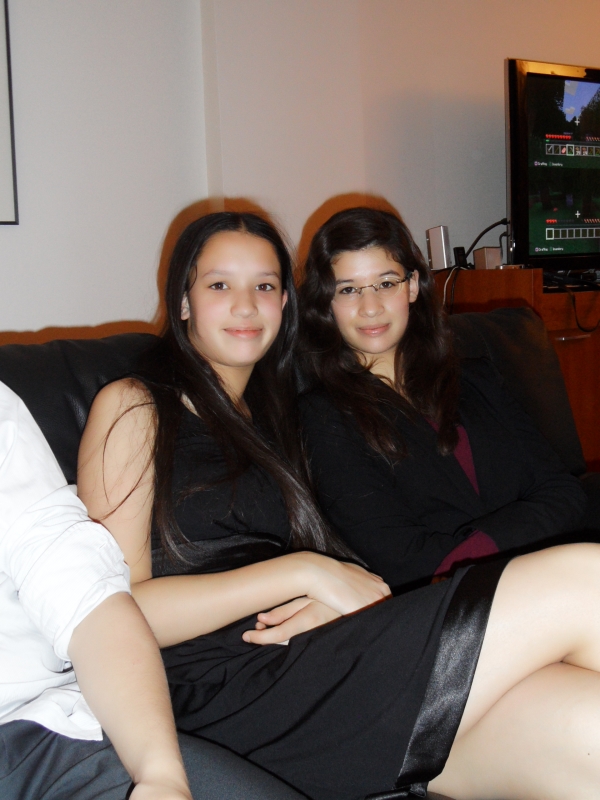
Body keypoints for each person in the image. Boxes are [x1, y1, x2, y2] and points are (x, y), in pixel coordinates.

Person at [78, 210, 600, 800]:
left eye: (265, 286)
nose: (246, 306)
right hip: (228, 693)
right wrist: (305, 574)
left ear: (286, 304)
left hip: (320, 665)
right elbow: (108, 614)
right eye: (220, 285)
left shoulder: (277, 419)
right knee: (586, 579)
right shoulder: (135, 406)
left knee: (588, 729)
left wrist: (321, 597)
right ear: (182, 301)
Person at [0, 378, 303, 800]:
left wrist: (161, 775)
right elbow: (129, 594)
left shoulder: (284, 414)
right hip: (204, 666)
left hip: (46, 731)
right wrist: (304, 575)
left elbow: (83, 590)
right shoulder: (133, 404)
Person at [298, 206, 587, 590]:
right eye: (348, 289)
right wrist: (516, 540)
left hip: (546, 577)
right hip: (452, 604)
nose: (371, 307)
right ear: (325, 303)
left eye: (386, 283)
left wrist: (494, 547)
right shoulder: (324, 416)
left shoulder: (478, 377)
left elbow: (564, 492)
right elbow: (402, 559)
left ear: (412, 286)